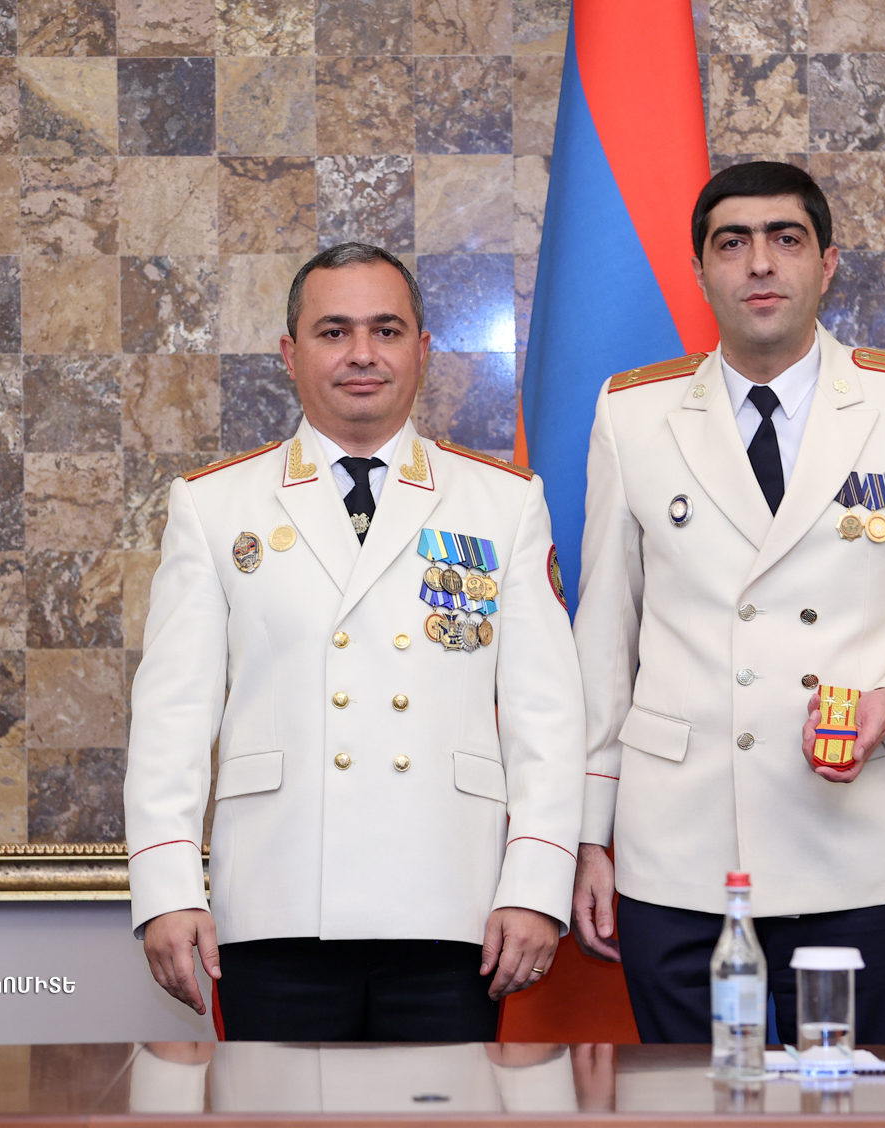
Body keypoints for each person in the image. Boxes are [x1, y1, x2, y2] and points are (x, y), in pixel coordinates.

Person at [570, 162, 885, 1044]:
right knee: (688, 1101)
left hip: (852, 843)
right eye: (731, 243)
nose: (760, 263)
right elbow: (604, 638)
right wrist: (591, 834)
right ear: (700, 270)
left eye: (786, 238)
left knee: (862, 1098)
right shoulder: (633, 413)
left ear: (828, 263)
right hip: (679, 848)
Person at [125, 242, 586, 1041]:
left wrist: (537, 886)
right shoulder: (215, 505)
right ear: (290, 353)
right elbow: (173, 716)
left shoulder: (503, 503)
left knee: (446, 1108)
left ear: (423, 350)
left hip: (455, 904)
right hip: (276, 902)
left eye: (387, 330)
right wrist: (167, 887)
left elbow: (548, 716)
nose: (362, 354)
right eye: (334, 331)